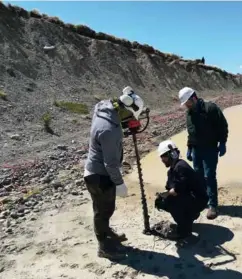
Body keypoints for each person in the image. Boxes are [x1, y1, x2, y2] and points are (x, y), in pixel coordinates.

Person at [84, 86, 145, 260]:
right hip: (99, 176)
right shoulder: (110, 131)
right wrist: (119, 183)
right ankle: (104, 247)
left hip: (96, 170)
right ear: (125, 111)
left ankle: (107, 234)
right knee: (102, 211)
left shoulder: (104, 107)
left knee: (105, 209)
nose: (130, 120)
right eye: (130, 116)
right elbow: (110, 164)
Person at [178, 87, 228, 220]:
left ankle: (213, 205)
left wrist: (222, 142)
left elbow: (222, 125)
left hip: (210, 149)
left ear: (193, 98)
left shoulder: (211, 108)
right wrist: (189, 147)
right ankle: (202, 200)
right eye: (185, 104)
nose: (186, 106)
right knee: (198, 176)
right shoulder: (189, 113)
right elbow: (191, 132)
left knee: (209, 176)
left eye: (187, 103)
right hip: (196, 150)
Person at [155, 140, 208, 240]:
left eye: (163, 157)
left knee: (170, 202)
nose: (162, 160)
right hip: (191, 197)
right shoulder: (172, 170)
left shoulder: (181, 167)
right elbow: (170, 188)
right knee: (165, 200)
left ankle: (184, 231)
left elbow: (176, 191)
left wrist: (165, 196)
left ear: (171, 155)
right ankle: (190, 216)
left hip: (199, 200)